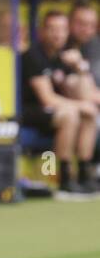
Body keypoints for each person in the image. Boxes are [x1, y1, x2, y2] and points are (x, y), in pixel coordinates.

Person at [21, 10, 97, 195]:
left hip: (58, 110)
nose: (58, 34)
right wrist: (81, 105)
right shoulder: (34, 55)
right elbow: (47, 99)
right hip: (32, 111)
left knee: (90, 113)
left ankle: (85, 174)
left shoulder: (66, 56)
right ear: (42, 32)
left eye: (62, 29)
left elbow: (85, 92)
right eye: (52, 29)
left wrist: (80, 67)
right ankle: (64, 178)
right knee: (70, 114)